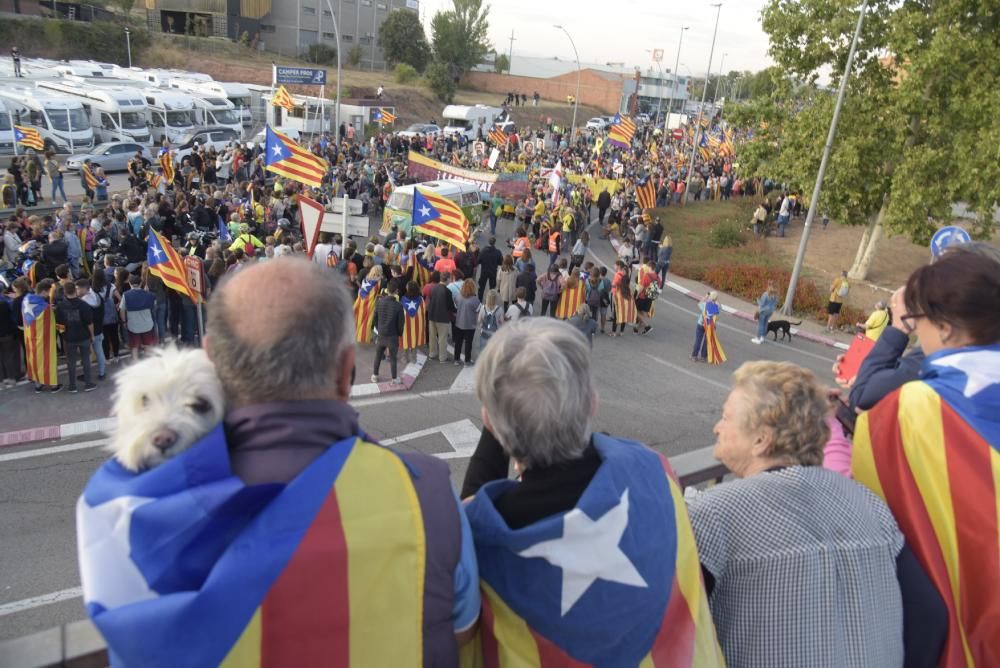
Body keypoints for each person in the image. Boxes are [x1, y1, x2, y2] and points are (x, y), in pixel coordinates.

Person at [77, 259, 480, 666]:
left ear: (211, 359)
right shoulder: (427, 494)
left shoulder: (127, 508)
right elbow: (462, 630)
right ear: (346, 374)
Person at [460, 319, 723, 666]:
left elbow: (470, 516)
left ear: (490, 423)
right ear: (593, 404)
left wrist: (500, 419)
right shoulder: (653, 471)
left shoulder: (480, 537)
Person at [687, 360, 946, 667]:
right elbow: (930, 615)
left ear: (761, 439)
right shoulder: (869, 504)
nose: (718, 427)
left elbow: (668, 621)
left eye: (726, 417)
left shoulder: (714, 514)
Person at [852, 249, 1000, 666]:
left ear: (948, 329)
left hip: (966, 628)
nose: (917, 336)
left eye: (917, 325)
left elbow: (872, 510)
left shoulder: (915, 407)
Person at [55, 281, 97, 393]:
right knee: (86, 360)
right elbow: (90, 323)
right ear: (75, 290)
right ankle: (88, 383)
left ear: (64, 292)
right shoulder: (84, 305)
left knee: (71, 362)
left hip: (69, 338)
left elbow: (59, 325)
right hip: (84, 336)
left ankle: (72, 385)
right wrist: (92, 336)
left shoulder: (60, 306)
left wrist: (63, 335)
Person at [371, 279, 404, 384]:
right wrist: (399, 333)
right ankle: (394, 378)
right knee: (393, 357)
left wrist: (379, 328)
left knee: (378, 355)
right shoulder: (398, 306)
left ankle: (375, 376)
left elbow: (374, 319)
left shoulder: (379, 302)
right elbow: (400, 323)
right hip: (393, 335)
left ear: (387, 290)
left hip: (381, 333)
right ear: (396, 291)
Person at [119, 273, 157, 362]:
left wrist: (124, 322)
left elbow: (122, 310)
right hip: (147, 325)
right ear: (141, 283)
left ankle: (136, 363)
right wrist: (147, 292)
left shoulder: (126, 295)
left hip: (133, 326)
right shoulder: (149, 295)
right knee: (148, 346)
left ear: (130, 284)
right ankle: (149, 363)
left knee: (134, 346)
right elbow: (154, 305)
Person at [427, 271, 455, 362]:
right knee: (442, 338)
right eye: (450, 278)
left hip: (431, 316)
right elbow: (451, 306)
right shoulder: (447, 291)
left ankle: (432, 354)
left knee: (432, 337)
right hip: (442, 318)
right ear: (447, 279)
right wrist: (456, 311)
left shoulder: (433, 288)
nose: (450, 280)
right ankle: (442, 357)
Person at [453, 278, 481, 366]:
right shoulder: (475, 299)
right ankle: (467, 360)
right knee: (468, 343)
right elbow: (478, 312)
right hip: (470, 325)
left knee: (458, 342)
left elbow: (456, 306)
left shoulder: (458, 296)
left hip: (458, 323)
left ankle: (456, 359)